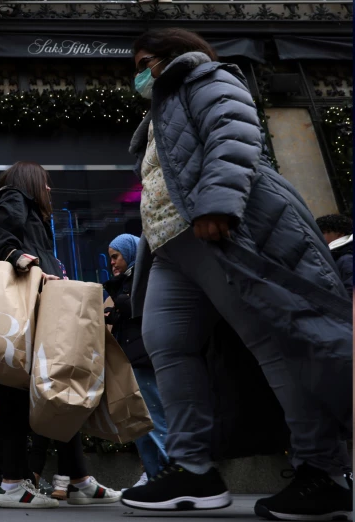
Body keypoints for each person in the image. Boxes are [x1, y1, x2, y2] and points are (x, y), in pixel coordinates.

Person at [121, 28, 353, 521]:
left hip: (214, 234)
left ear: (172, 57)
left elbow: (234, 130)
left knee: (273, 344)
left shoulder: (206, 78)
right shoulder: (160, 108)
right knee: (166, 343)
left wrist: (218, 204)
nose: (138, 74)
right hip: (168, 248)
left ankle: (323, 471)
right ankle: (192, 470)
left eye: (143, 62)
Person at [0, 162, 121, 508]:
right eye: (46, 183)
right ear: (32, 182)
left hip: (37, 308)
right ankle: (12, 484)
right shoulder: (14, 198)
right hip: (29, 310)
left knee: (56, 388)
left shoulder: (22, 205)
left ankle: (77, 478)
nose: (49, 190)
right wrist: (28, 263)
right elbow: (3, 240)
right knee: (21, 395)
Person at [103, 233, 167, 486]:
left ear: (130, 253)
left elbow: (141, 307)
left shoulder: (144, 275)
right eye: (110, 258)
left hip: (143, 360)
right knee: (140, 424)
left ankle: (174, 473)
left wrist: (118, 305)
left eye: (115, 257)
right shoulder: (128, 281)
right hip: (132, 360)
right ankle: (155, 477)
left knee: (154, 418)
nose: (112, 263)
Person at [315, 214, 352, 295]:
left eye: (322, 233)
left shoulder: (346, 258)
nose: (319, 237)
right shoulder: (341, 254)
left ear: (339, 233)